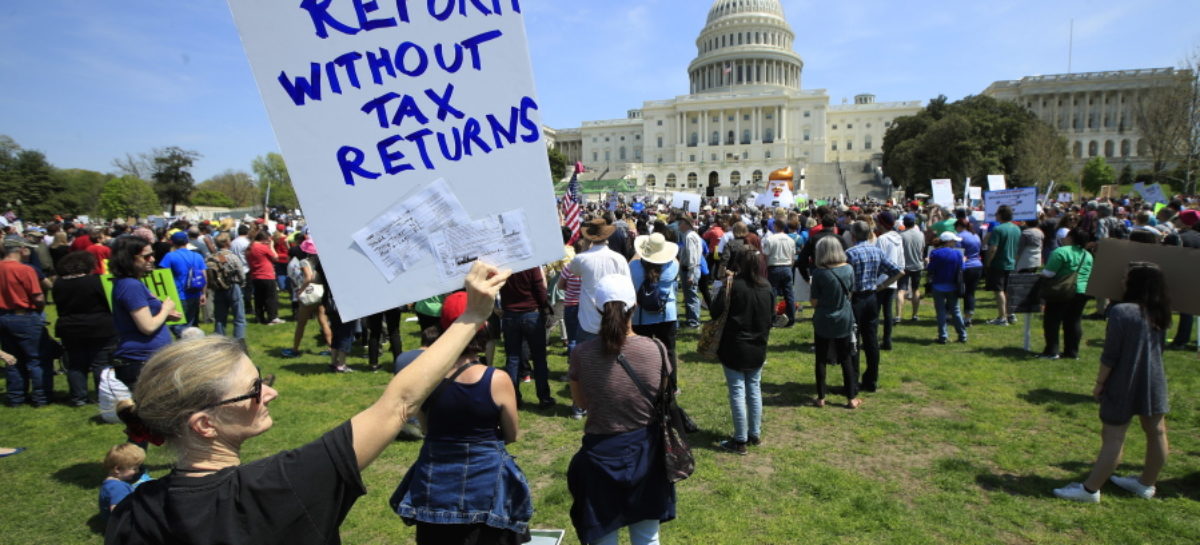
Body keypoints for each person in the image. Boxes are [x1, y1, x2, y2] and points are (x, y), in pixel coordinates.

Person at [105, 261, 511, 544]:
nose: (271, 392)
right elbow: (398, 404)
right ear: (203, 425)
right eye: (253, 389)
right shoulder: (282, 485)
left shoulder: (132, 513)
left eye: (264, 380)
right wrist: (473, 315)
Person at [389, 291, 531, 544]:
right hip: (486, 487)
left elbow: (425, 427)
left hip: (435, 484)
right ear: (483, 327)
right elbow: (511, 435)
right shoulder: (497, 379)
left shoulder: (422, 375)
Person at [567, 274, 675, 545]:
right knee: (647, 536)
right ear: (635, 306)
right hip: (647, 452)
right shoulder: (657, 349)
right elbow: (663, 395)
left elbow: (581, 403)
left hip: (600, 453)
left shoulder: (581, 353)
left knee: (604, 537)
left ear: (597, 308)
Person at [1053, 262, 1170, 503]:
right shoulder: (1161, 310)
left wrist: (1099, 383)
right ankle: (1146, 483)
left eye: (1126, 277)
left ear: (1135, 284)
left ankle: (1089, 490)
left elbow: (1111, 355)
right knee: (1156, 431)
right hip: (1154, 378)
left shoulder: (1121, 311)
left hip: (1123, 380)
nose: (1121, 281)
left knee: (1114, 436)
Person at [710, 247, 773, 453]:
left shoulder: (733, 286)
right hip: (757, 344)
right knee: (754, 388)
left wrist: (724, 284)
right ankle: (754, 433)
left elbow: (714, 311)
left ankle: (740, 440)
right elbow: (771, 317)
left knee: (738, 390)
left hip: (735, 345)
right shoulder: (766, 286)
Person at [108, 236, 180, 391]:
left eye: (152, 255)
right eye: (146, 256)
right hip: (141, 360)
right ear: (129, 259)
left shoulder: (131, 283)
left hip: (148, 358)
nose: (152, 259)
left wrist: (164, 315)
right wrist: (165, 309)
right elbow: (147, 327)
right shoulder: (131, 286)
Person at [844, 222, 904, 394]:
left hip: (856, 298)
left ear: (853, 236)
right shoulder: (877, 251)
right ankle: (871, 380)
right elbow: (899, 271)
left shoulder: (850, 253)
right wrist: (882, 286)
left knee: (853, 340)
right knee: (871, 340)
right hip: (872, 297)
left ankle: (852, 382)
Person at [52, 251, 118, 406]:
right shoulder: (96, 282)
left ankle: (78, 397)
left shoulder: (59, 283)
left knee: (76, 365)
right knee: (100, 364)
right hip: (99, 326)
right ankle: (101, 396)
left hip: (69, 327)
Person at [809, 236, 859, 409]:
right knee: (846, 357)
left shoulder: (819, 273)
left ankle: (821, 397)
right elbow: (851, 293)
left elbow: (814, 302)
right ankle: (851, 397)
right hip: (844, 316)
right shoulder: (849, 269)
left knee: (821, 358)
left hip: (823, 317)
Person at [1, 235, 49, 407]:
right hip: (25, 315)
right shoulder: (25, 270)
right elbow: (38, 297)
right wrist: (39, 311)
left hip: (3, 316)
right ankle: (41, 397)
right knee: (36, 359)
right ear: (22, 249)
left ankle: (16, 397)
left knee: (13, 360)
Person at [499, 266, 553, 409]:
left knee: (513, 358)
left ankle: (514, 398)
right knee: (539, 358)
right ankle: (544, 398)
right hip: (531, 313)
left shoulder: (502, 265)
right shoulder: (531, 264)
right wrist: (544, 306)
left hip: (510, 314)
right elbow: (539, 288)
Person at [630, 232, 680, 381]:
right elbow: (673, 260)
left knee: (642, 354)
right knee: (669, 351)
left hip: (640, 316)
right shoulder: (673, 265)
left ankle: (645, 383)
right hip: (666, 314)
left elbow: (633, 267)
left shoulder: (633, 266)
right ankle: (672, 386)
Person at [1038, 228, 1094, 360]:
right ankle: (1072, 352)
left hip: (1062, 290)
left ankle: (1051, 351)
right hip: (1082, 291)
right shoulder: (1088, 255)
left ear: (1071, 238)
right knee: (1073, 321)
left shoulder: (1061, 251)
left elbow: (1049, 273)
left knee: (1052, 321)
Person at [158, 231, 207, 332]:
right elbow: (204, 276)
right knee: (191, 322)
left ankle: (184, 343)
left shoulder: (170, 256)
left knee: (176, 324)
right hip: (195, 293)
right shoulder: (197, 256)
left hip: (179, 294)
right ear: (187, 241)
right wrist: (203, 293)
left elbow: (162, 275)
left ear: (172, 242)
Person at [925, 232, 967, 344]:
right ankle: (962, 335)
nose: (955, 242)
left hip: (938, 285)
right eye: (954, 241)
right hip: (953, 286)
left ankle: (943, 336)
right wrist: (964, 261)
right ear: (948, 241)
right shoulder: (957, 254)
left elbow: (930, 269)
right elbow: (962, 268)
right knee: (956, 311)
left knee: (940, 312)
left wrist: (927, 262)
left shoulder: (935, 253)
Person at [207, 234, 248, 342]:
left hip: (218, 288)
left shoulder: (211, 257)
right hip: (233, 286)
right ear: (227, 243)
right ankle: (239, 340)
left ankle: (219, 339)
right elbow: (241, 273)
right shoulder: (232, 257)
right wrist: (242, 283)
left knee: (220, 317)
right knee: (239, 317)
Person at [985, 205, 1021, 325]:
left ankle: (1002, 317)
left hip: (999, 263)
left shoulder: (998, 229)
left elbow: (992, 248)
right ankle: (1010, 314)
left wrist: (988, 262)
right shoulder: (1017, 229)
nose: (995, 215)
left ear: (1000, 215)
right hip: (1012, 263)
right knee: (1008, 290)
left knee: (999, 290)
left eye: (996, 213)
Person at [873, 212, 904, 348]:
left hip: (881, 280)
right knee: (888, 312)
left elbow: (878, 260)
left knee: (875, 313)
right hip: (893, 278)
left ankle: (873, 340)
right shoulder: (898, 238)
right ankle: (887, 340)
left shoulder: (882, 239)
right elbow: (901, 261)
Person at [762, 217, 797, 328]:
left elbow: (766, 255)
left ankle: (772, 318)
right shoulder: (790, 240)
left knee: (773, 294)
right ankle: (791, 318)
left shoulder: (770, 239)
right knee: (789, 294)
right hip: (787, 267)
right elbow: (793, 256)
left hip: (774, 267)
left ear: (775, 226)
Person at [99, 443, 146, 521]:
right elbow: (118, 512)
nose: (137, 471)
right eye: (134, 468)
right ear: (117, 469)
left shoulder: (110, 483)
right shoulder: (118, 488)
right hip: (123, 526)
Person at [246, 231, 283, 325]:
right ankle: (272, 317)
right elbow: (276, 257)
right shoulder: (262, 247)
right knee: (271, 297)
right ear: (264, 239)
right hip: (267, 275)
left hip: (255, 275)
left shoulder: (249, 248)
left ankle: (259, 318)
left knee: (259, 298)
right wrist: (271, 246)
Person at [896, 214, 926, 322]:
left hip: (904, 265)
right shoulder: (921, 234)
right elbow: (922, 249)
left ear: (904, 223)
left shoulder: (901, 235)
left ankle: (898, 315)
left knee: (901, 290)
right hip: (917, 265)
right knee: (915, 290)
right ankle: (915, 315)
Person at [956, 219, 984, 327]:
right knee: (970, 293)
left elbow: (958, 253)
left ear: (958, 226)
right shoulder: (975, 235)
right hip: (977, 265)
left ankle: (951, 314)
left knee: (956, 291)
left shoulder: (959, 236)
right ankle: (968, 318)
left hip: (965, 267)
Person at [677, 217, 704, 328]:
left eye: (681, 223)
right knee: (689, 295)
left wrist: (691, 274)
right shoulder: (691, 235)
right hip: (690, 269)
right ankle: (691, 319)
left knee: (691, 296)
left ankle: (693, 322)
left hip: (690, 269)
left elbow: (692, 256)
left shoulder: (689, 236)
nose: (679, 225)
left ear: (687, 224)